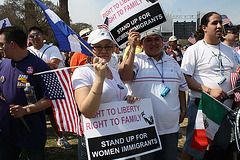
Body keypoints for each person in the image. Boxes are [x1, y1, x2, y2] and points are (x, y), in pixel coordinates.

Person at [118, 28, 188, 160]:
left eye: (157, 39)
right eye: (148, 40)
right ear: (141, 44)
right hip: (144, 128)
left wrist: (183, 110)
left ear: (163, 42)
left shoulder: (173, 62)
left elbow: (181, 88)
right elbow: (125, 77)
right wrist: (132, 48)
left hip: (170, 128)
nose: (153, 43)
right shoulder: (137, 60)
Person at [71, 28, 139, 160]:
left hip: (120, 136)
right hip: (97, 140)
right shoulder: (82, 72)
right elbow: (87, 111)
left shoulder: (113, 71)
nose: (104, 51)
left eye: (108, 47)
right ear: (89, 49)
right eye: (98, 47)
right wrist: (99, 78)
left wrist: (127, 99)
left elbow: (114, 96)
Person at [181, 12, 240, 160]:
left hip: (226, 107)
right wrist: (208, 90)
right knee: (195, 146)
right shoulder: (194, 50)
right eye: (215, 23)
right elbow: (186, 78)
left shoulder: (231, 51)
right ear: (204, 27)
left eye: (220, 23)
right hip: (203, 106)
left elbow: (236, 74)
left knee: (220, 147)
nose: (219, 26)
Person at [0, 26, 51, 159]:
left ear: (12, 44)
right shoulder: (3, 63)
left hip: (32, 129)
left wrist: (26, 110)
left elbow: (51, 98)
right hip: (7, 129)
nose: (0, 48)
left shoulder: (41, 66)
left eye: (1, 44)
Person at [27, 26, 71, 150]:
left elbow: (54, 65)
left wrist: (32, 65)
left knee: (53, 115)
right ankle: (33, 140)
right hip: (32, 87)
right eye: (32, 36)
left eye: (37, 35)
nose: (35, 38)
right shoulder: (27, 50)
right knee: (33, 113)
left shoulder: (52, 48)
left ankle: (60, 138)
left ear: (43, 37)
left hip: (50, 84)